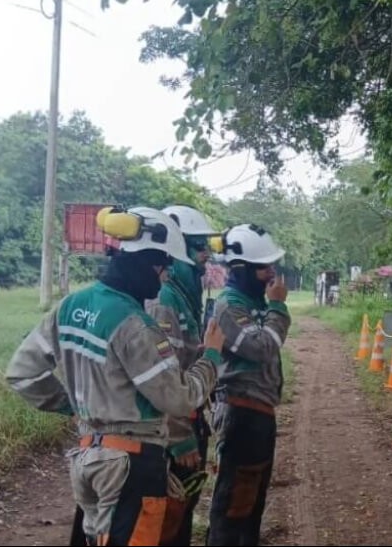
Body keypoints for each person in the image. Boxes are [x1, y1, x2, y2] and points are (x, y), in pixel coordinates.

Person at [6, 206, 226, 547]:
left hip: (87, 457)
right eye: (162, 265)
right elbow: (177, 398)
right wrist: (211, 357)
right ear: (143, 263)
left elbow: (23, 373)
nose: (165, 275)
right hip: (131, 464)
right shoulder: (136, 326)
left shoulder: (69, 306)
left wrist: (74, 407)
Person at [206, 224, 291, 546]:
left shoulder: (251, 302)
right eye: (263, 267)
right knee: (233, 505)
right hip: (241, 412)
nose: (271, 274)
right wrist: (278, 308)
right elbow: (260, 348)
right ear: (241, 269)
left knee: (251, 502)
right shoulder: (230, 305)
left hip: (258, 413)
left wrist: (272, 309)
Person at [148, 205, 218, 546]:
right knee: (170, 517)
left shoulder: (185, 297)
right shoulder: (165, 301)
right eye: (199, 245)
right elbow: (165, 374)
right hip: (174, 429)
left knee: (184, 510)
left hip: (192, 416)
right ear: (177, 251)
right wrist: (180, 436)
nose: (206, 254)